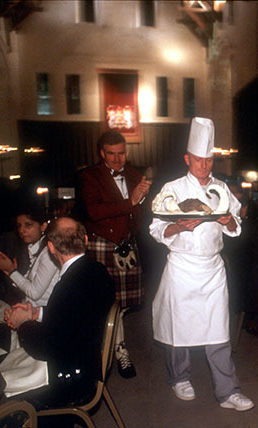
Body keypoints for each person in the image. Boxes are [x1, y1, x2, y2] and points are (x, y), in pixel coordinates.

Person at [149, 117, 255, 411]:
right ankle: (179, 378)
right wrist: (179, 227)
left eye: (208, 160)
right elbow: (156, 229)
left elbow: (236, 229)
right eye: (198, 160)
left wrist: (228, 219)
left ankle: (228, 391)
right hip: (182, 267)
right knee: (178, 329)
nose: (204, 166)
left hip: (212, 269)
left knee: (218, 331)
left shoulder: (222, 188)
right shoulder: (172, 189)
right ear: (187, 159)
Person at [4, 217, 114, 411]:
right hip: (87, 360)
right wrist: (36, 313)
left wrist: (22, 324)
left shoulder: (67, 286)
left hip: (71, 379)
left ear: (51, 248)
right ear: (86, 240)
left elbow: (47, 348)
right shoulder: (97, 270)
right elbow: (74, 316)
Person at [77, 130, 151, 378]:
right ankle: (118, 350)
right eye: (111, 154)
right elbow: (94, 211)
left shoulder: (133, 174)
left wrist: (143, 202)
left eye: (121, 153)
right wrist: (131, 201)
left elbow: (140, 211)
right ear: (102, 153)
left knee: (122, 305)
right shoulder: (89, 176)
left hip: (126, 244)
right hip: (101, 243)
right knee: (106, 302)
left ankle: (113, 343)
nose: (118, 159)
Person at [0, 207, 60, 307]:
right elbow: (27, 284)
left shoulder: (49, 253)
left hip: (42, 314)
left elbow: (35, 293)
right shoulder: (32, 249)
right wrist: (11, 271)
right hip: (29, 308)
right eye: (19, 226)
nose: (22, 230)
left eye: (28, 225)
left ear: (43, 226)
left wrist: (11, 271)